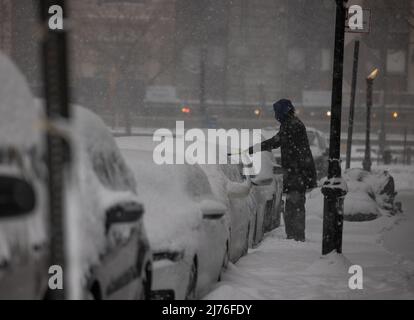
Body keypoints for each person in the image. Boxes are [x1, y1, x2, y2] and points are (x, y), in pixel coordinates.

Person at [248, 99, 317, 242]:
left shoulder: (292, 125)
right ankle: (294, 235)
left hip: (297, 172)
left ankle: (296, 236)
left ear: (282, 111)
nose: (275, 115)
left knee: (295, 204)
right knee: (294, 204)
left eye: (276, 112)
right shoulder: (292, 123)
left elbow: (276, 141)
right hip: (297, 171)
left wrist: (254, 148)